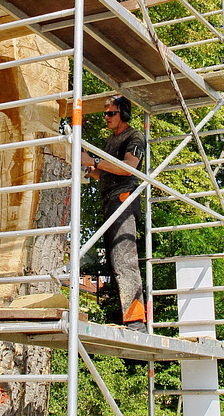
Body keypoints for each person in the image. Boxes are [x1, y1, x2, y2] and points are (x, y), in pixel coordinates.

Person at [81, 95, 146, 333]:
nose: (106, 117)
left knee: (124, 259)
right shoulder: (111, 141)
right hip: (109, 200)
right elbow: (106, 173)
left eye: (111, 113)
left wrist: (95, 159)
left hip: (123, 199)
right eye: (105, 113)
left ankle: (136, 322)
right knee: (113, 261)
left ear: (124, 114)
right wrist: (90, 168)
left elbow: (128, 167)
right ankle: (128, 318)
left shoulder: (134, 136)